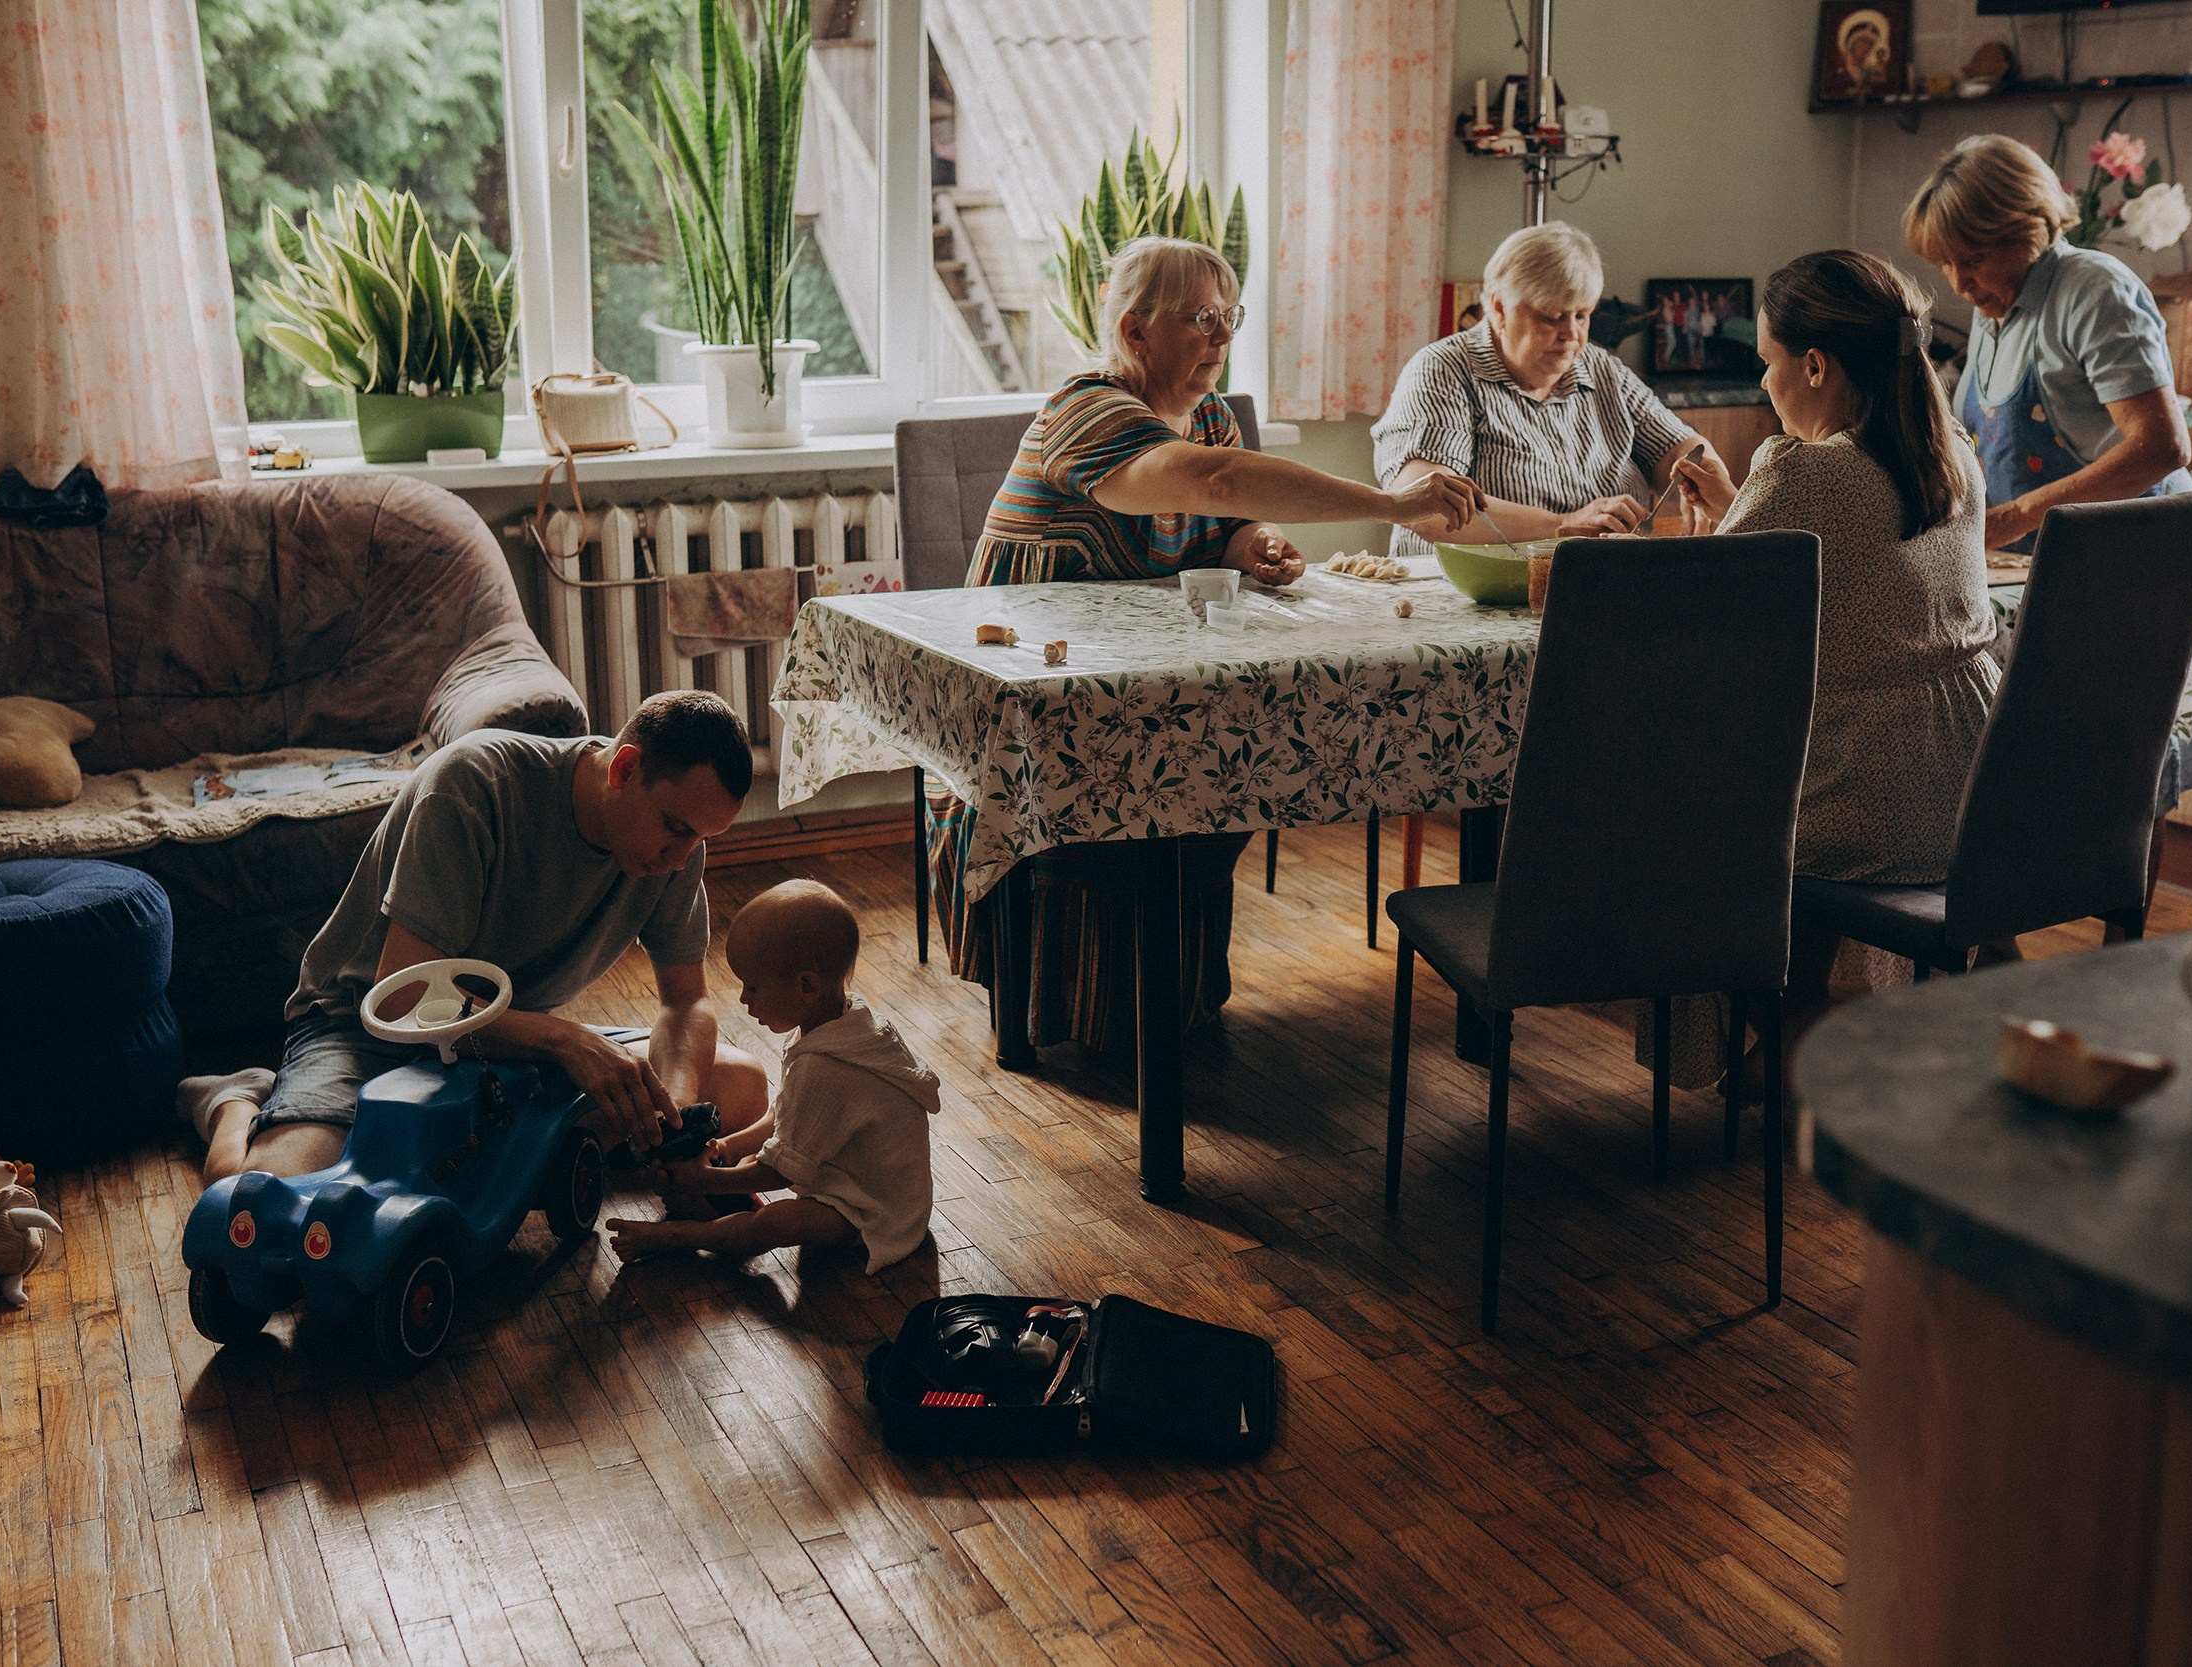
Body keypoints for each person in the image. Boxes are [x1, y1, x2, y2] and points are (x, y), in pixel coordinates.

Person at [931, 235, 1484, 1052]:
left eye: (1231, 318)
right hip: (1035, 698)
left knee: (1229, 761)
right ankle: (1068, 1009)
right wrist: (1392, 503)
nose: (1224, 339)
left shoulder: (1211, 411)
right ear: (1134, 333)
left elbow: (1225, 511)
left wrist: (1250, 542)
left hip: (1147, 682)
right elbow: (1214, 480)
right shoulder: (1086, 411)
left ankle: (1161, 999)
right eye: (1202, 320)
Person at [178, 691, 770, 1183]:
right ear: (624, 770)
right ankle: (237, 1100)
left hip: (504, 1039)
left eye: (700, 839)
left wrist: (677, 1123)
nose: (679, 859)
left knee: (740, 1087)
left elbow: (686, 1001)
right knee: (255, 1203)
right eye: (676, 830)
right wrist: (567, 1043)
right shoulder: (474, 782)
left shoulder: (677, 843)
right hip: (371, 1028)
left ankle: (482, 1161)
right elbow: (407, 995)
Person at [1901, 131, 2192, 861]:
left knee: (2129, 776)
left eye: (1970, 257)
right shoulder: (1993, 310)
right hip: (2036, 571)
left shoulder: (2093, 289)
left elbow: (2162, 447)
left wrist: (2012, 517)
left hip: (2125, 566)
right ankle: (1997, 946)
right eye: (1945, 262)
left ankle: (2123, 955)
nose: (1957, 282)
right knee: (2007, 764)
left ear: (2030, 227)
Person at [1674, 251, 1998, 892]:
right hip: (1978, 791)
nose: (1765, 383)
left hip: (1868, 799)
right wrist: (1738, 505)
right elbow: (1857, 544)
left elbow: (1699, 616)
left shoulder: (1803, 471)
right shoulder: (1954, 451)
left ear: (1816, 365)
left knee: (1663, 780)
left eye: (1769, 362)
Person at [608, 880, 941, 1272]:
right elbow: (783, 1115)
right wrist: (728, 1149)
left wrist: (703, 1181)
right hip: (848, 1175)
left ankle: (678, 1235)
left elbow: (780, 1172)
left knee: (779, 1222)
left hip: (873, 1209)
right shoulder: (843, 1022)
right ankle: (715, 1212)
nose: (744, 999)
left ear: (805, 986)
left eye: (752, 986)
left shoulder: (826, 1066)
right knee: (749, 1161)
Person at [1373, 222, 1725, 568]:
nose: (1571, 334)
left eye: (1582, 315)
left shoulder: (1601, 369)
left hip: (1589, 585)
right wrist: (1561, 525)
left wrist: (1700, 484)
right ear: (1499, 308)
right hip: (1457, 596)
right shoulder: (1443, 369)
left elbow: (1683, 448)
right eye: (1552, 317)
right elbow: (1424, 509)